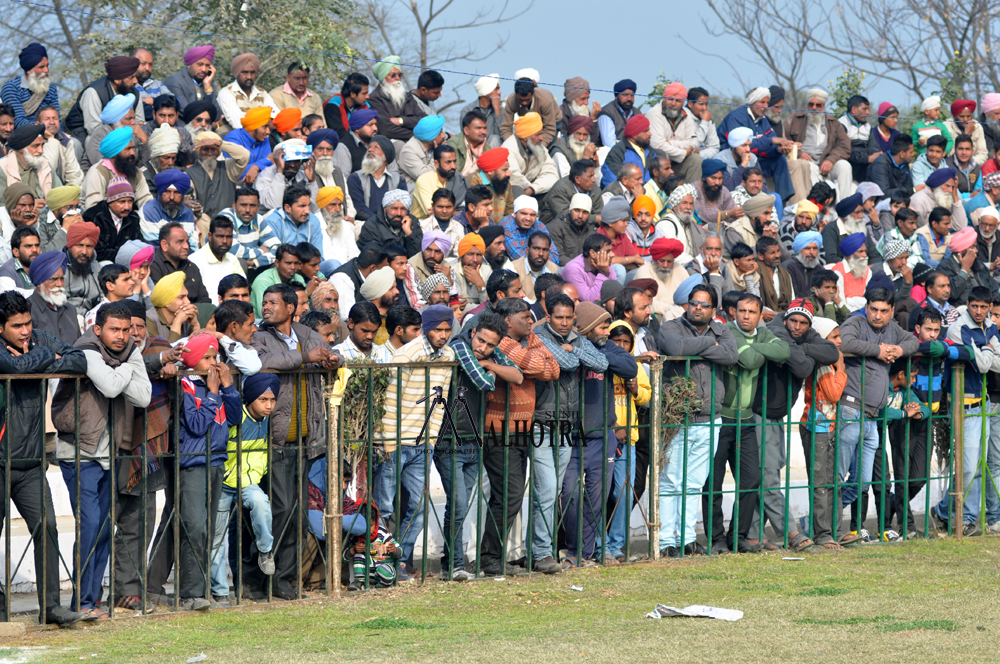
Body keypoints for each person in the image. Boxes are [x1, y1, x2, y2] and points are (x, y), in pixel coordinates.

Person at [50, 301, 151, 618]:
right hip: (79, 451)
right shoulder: (86, 349)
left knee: (106, 526)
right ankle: (80, 601)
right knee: (91, 524)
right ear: (98, 329)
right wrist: (126, 371)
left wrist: (119, 373)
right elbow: (109, 387)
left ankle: (93, 601)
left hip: (111, 451)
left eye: (126, 330)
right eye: (114, 329)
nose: (122, 336)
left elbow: (144, 396)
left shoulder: (130, 349)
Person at [0, 291, 90, 625]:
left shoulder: (38, 338)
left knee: (48, 527)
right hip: (0, 459)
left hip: (33, 460)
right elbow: (10, 365)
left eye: (28, 323)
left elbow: (79, 360)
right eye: (16, 326)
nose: (25, 331)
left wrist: (39, 356)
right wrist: (44, 357)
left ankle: (51, 608)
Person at [248, 284, 339, 598]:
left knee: (297, 513)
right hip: (274, 440)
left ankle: (284, 581)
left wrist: (331, 361)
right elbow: (263, 364)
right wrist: (305, 357)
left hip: (307, 438)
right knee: (279, 510)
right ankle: (256, 580)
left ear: (291, 307)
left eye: (273, 302)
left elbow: (325, 357)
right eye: (265, 301)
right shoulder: (258, 336)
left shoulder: (307, 333)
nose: (267, 307)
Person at [750, 299, 839, 550]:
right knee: (766, 475)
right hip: (756, 412)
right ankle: (790, 531)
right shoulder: (775, 328)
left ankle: (750, 534)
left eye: (803, 323)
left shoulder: (802, 336)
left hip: (776, 413)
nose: (797, 327)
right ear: (786, 318)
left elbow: (832, 352)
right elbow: (801, 367)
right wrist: (803, 352)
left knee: (767, 471)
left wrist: (798, 348)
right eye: (794, 321)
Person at [657, 284, 738, 556]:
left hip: (710, 417)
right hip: (678, 417)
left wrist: (696, 348)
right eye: (694, 303)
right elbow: (674, 346)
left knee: (694, 482)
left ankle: (687, 539)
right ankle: (667, 541)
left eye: (704, 305)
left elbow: (731, 355)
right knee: (671, 481)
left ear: (713, 310)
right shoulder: (671, 326)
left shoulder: (722, 329)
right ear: (687, 305)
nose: (698, 308)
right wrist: (707, 344)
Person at [706, 293, 789, 554]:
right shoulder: (727, 332)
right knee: (714, 483)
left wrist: (755, 347)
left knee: (751, 479)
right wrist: (761, 351)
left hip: (747, 420)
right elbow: (753, 361)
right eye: (742, 310)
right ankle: (715, 539)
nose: (746, 316)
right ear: (734, 312)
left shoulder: (761, 334)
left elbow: (784, 351)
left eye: (752, 312)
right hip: (721, 418)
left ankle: (738, 537)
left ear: (759, 314)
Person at [531, 295, 608, 571]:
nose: (564, 323)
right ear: (547, 315)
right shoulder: (538, 335)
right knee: (548, 489)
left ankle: (543, 550)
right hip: (541, 421)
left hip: (567, 424)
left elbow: (601, 363)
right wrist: (572, 353)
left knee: (554, 492)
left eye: (568, 318)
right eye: (558, 317)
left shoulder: (575, 338)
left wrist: (572, 350)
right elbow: (568, 364)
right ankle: (541, 553)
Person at [838, 288, 918, 536]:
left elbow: (913, 340)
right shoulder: (856, 321)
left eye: (884, 310)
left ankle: (822, 523)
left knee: (860, 482)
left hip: (873, 417)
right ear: (866, 306)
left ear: (892, 310)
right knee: (839, 477)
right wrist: (878, 350)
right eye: (873, 309)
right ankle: (822, 527)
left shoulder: (893, 327)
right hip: (851, 409)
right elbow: (845, 342)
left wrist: (898, 351)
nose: (878, 315)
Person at [209, 372, 280, 605]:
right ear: (250, 399)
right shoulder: (236, 415)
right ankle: (220, 592)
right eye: (263, 400)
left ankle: (265, 550)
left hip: (249, 482)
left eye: (272, 400)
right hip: (225, 484)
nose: (269, 405)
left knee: (261, 503)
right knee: (217, 539)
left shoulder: (266, 419)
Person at [799, 317, 850, 547]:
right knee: (820, 483)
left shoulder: (829, 364)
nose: (839, 342)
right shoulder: (824, 364)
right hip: (816, 428)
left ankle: (836, 530)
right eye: (834, 337)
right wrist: (841, 370)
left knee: (834, 482)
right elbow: (833, 394)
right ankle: (822, 533)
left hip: (829, 426)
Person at [64, 55, 142, 144]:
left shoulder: (134, 93)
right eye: (131, 77)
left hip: (121, 135)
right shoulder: (93, 92)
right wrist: (122, 133)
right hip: (82, 136)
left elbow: (140, 123)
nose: (136, 81)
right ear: (117, 80)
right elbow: (93, 129)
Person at [82, 127, 153, 211]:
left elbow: (146, 202)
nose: (133, 152)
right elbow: (93, 209)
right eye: (128, 149)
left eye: (133, 148)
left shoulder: (136, 173)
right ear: (115, 153)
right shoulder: (97, 172)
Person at [149, 222, 211, 304]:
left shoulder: (192, 267)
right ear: (165, 245)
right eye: (180, 242)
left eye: (187, 241)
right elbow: (161, 303)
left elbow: (204, 300)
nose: (186, 246)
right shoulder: (153, 267)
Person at [189, 215, 245, 305]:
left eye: (229, 237)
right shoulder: (194, 261)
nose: (225, 241)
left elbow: (243, 291)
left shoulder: (232, 259)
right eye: (220, 236)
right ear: (210, 236)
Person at [215, 52, 278, 131]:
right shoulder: (226, 93)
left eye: (252, 72)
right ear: (237, 73)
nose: (249, 76)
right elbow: (238, 124)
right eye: (244, 72)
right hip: (234, 140)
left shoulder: (262, 93)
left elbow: (276, 120)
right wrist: (264, 115)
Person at [28, 249, 79, 344]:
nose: (59, 284)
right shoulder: (27, 310)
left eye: (62, 279)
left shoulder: (70, 310)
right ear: (39, 282)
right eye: (53, 279)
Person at [141, 169, 196, 249]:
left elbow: (193, 247)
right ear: (160, 192)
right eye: (167, 192)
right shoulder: (148, 212)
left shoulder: (188, 214)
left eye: (177, 192)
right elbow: (155, 248)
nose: (171, 197)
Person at [499, 76, 559, 147]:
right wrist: (513, 146)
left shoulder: (545, 100)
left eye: (527, 100)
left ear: (533, 92)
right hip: (529, 127)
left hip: (552, 124)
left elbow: (550, 129)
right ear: (516, 93)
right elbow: (506, 128)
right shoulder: (511, 101)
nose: (524, 103)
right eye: (521, 100)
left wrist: (538, 148)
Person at [412, 147, 468, 221]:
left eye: (454, 161)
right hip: (423, 225)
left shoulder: (459, 180)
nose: (453, 166)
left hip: (455, 224)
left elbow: (441, 213)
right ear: (436, 164)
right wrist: (462, 214)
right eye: (448, 162)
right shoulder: (425, 180)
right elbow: (433, 214)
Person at [250, 244, 305, 317]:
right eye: (288, 263)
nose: (293, 267)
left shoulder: (298, 278)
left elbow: (304, 307)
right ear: (277, 263)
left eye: (296, 263)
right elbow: (265, 314)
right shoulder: (263, 281)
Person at [37, 106, 83, 187]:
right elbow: (47, 171)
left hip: (61, 190)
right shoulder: (33, 143)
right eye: (47, 119)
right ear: (37, 124)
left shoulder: (66, 141)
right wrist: (51, 139)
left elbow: (73, 174)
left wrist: (72, 192)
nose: (52, 122)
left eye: (55, 118)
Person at [164, 45, 218, 110]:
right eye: (200, 64)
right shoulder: (174, 80)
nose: (204, 69)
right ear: (189, 64)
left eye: (207, 65)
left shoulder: (208, 84)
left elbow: (217, 115)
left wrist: (207, 88)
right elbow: (186, 111)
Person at [83, 263, 133, 330]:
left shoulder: (132, 309)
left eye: (130, 279)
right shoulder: (95, 315)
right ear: (110, 286)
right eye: (126, 280)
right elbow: (93, 340)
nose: (132, 282)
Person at [869, 134, 916, 201]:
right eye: (911, 152)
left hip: (899, 200)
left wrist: (909, 190)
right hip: (880, 202)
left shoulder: (904, 163)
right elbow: (883, 193)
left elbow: (908, 186)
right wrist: (912, 190)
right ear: (902, 154)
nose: (912, 154)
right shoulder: (880, 164)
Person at [783, 230, 823, 299]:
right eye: (807, 248)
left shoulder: (820, 269)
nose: (811, 252)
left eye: (815, 248)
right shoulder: (789, 266)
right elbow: (792, 295)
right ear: (799, 250)